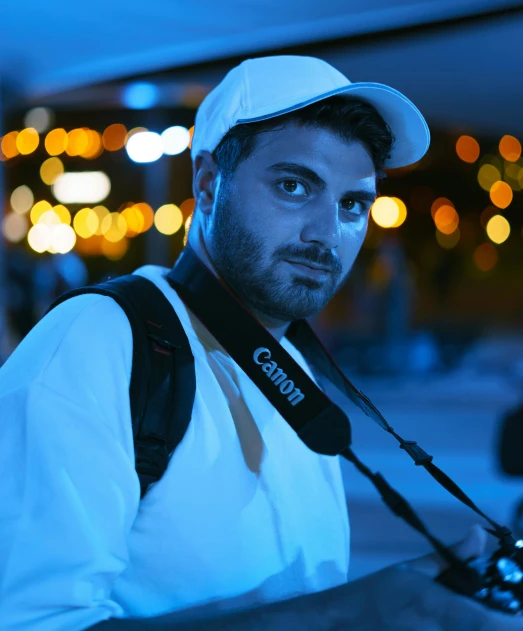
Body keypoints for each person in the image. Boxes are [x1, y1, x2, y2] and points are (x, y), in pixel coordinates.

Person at [0, 56, 518, 630]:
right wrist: (347, 614)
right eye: (294, 186)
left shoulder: (290, 360)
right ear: (207, 182)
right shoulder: (100, 344)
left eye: (353, 204)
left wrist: (411, 597)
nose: (327, 235)